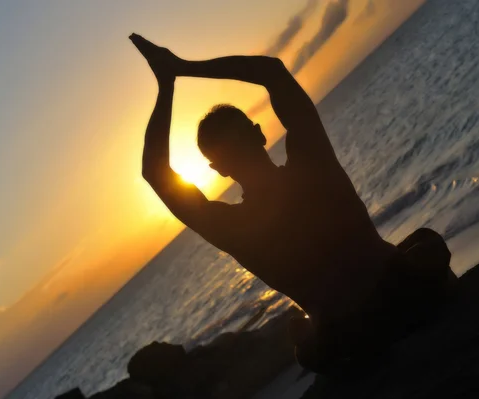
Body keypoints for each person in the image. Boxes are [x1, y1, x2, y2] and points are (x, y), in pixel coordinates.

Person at [130, 34, 457, 374]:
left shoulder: (232, 227)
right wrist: (183, 67)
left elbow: (155, 172)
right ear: (258, 134)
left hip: (352, 334)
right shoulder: (312, 161)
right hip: (407, 294)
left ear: (219, 169)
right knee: (424, 242)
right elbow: (271, 71)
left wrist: (166, 85)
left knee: (306, 343)